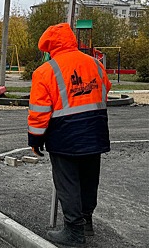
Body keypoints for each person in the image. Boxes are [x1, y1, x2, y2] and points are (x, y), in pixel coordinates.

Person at [27, 23, 111, 247]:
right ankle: (87, 223)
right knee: (89, 179)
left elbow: (39, 112)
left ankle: (74, 232)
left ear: (49, 47)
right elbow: (106, 88)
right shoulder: (95, 63)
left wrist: (35, 141)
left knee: (68, 183)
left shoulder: (46, 72)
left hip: (64, 135)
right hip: (95, 130)